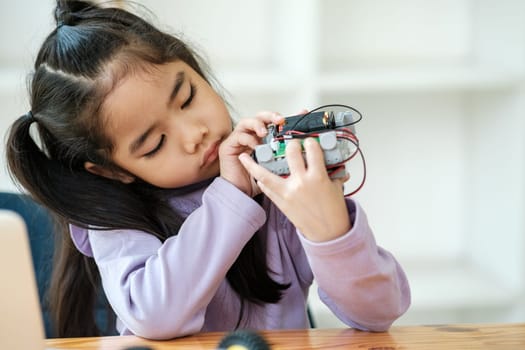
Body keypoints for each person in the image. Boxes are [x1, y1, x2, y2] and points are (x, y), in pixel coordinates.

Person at [5, 0, 411, 340]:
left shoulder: (275, 183)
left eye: (187, 97)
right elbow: (154, 313)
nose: (194, 134)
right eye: (155, 144)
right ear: (113, 172)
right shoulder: (115, 221)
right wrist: (230, 197)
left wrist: (330, 231)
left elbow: (379, 314)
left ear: (195, 69)